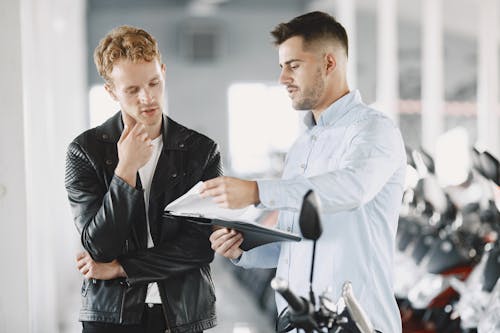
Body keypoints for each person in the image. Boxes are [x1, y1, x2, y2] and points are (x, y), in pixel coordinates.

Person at [201, 11, 405, 333]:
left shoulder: (373, 130)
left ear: (329, 63)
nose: (283, 78)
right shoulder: (302, 146)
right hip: (298, 321)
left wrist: (257, 191)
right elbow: (293, 244)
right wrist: (243, 251)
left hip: (355, 322)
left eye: (293, 66)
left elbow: (352, 189)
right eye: (281, 67)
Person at [65, 26, 220, 333]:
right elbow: (99, 248)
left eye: (154, 82)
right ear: (111, 91)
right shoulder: (85, 152)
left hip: (183, 313)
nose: (148, 98)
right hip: (111, 315)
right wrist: (125, 171)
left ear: (163, 71)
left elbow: (201, 245)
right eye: (132, 90)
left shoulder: (200, 151)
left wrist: (122, 267)